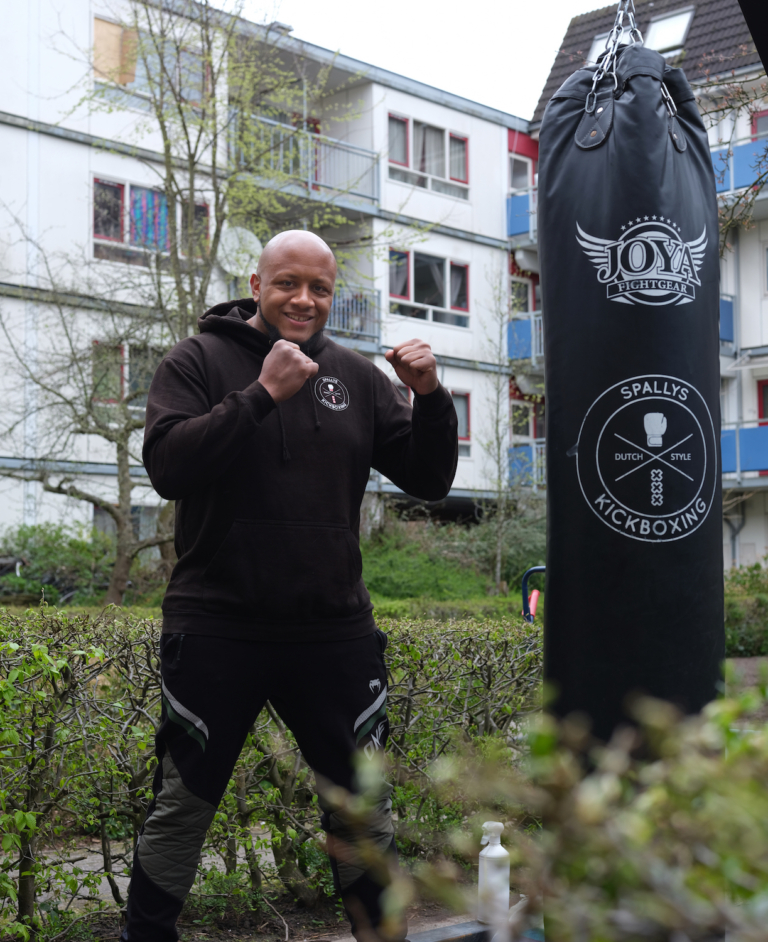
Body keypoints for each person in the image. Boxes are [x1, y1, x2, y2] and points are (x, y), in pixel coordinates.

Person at [122, 230, 458, 942]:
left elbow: (430, 480)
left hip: (333, 631)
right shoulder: (197, 360)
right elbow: (169, 468)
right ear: (257, 283)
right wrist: (262, 395)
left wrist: (429, 399)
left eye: (320, 288)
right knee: (183, 807)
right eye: (287, 284)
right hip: (218, 625)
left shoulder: (358, 377)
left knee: (363, 809)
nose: (304, 300)